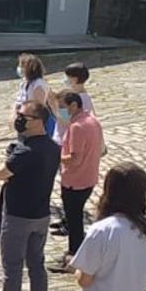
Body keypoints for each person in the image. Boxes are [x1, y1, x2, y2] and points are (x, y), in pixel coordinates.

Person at [0, 101, 59, 291]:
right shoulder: (53, 147)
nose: (19, 120)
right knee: (37, 267)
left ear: (37, 121)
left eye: (24, 117)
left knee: (13, 270)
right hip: (41, 216)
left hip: (18, 217)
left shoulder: (25, 151)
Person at [55, 91, 104, 270]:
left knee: (73, 221)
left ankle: (75, 256)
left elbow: (74, 158)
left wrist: (57, 157)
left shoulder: (77, 127)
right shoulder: (93, 121)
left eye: (62, 108)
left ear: (73, 105)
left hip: (75, 180)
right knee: (75, 220)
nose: (60, 111)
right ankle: (78, 253)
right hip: (89, 177)